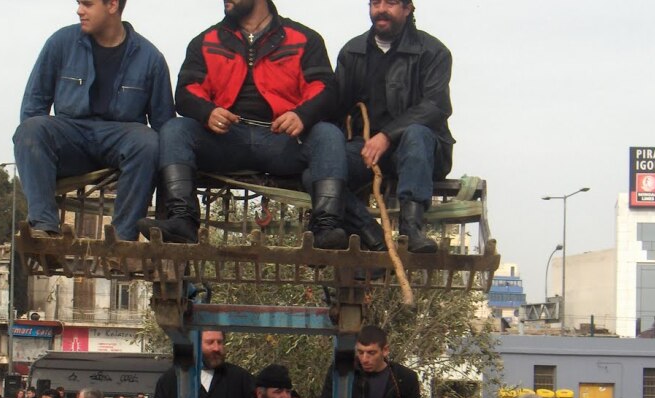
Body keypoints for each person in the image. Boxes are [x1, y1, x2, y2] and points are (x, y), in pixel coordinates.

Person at [138, 0, 351, 249]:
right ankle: (182, 221)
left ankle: (325, 229)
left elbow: (325, 89)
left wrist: (301, 115)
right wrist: (208, 112)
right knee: (175, 129)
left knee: (328, 134)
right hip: (226, 140)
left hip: (283, 139)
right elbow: (186, 92)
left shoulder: (305, 38)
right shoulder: (206, 40)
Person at [13, 0, 174, 242]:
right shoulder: (60, 43)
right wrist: (39, 158)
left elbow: (164, 124)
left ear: (112, 5)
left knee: (149, 142)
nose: (79, 10)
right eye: (79, 3)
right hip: (71, 136)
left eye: (87, 4)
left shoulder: (150, 58)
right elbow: (34, 105)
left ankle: (123, 240)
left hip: (120, 140)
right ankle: (44, 227)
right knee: (30, 130)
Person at [330, 0, 451, 254]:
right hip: (366, 151)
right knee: (320, 169)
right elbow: (336, 107)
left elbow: (435, 106)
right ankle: (371, 233)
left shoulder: (432, 52)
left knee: (416, 134)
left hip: (422, 152)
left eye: (391, 3)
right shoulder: (352, 52)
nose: (381, 9)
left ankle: (412, 230)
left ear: (407, 9)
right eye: (375, 3)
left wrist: (386, 135)